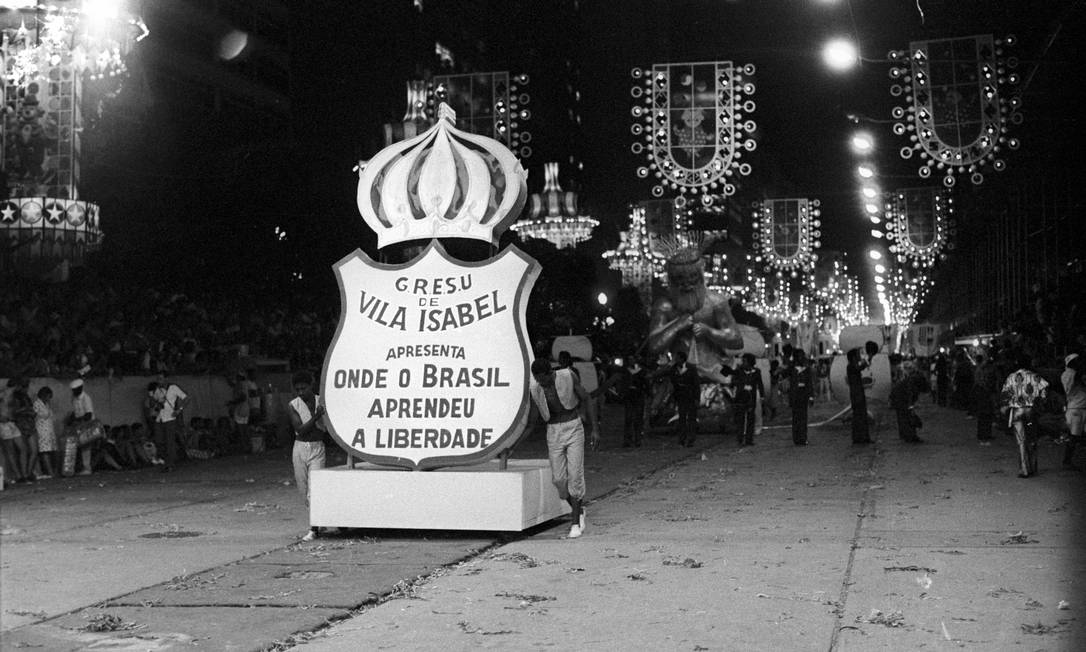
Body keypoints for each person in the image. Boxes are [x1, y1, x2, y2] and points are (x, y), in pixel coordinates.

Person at [647, 242, 745, 383]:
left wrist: (709, 331)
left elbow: (736, 339)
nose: (687, 283)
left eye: (692, 277)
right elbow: (654, 345)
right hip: (679, 373)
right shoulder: (664, 305)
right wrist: (677, 325)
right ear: (672, 280)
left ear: (700, 276)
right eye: (680, 278)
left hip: (713, 371)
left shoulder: (715, 301)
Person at [529, 358, 599, 539]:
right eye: (536, 379)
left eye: (541, 378)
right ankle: (579, 508)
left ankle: (575, 522)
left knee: (575, 475)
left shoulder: (568, 376)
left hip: (573, 426)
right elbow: (534, 418)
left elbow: (586, 397)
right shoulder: (535, 388)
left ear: (549, 373)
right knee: (559, 480)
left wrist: (594, 429)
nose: (539, 382)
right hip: (553, 432)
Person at [288, 370, 328, 542]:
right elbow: (300, 429)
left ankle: (314, 529)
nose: (301, 392)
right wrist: (317, 417)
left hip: (317, 447)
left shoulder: (322, 401)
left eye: (303, 388)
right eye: (297, 389)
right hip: (300, 448)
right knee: (303, 490)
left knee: (315, 489)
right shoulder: (293, 405)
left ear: (311, 386)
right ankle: (318, 521)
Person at [1000, 357, 1049, 478]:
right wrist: (1039, 399)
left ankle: (1024, 470)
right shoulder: (1034, 376)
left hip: (1017, 413)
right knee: (1032, 439)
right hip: (1030, 413)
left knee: (1021, 441)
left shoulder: (1011, 377)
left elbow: (1004, 394)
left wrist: (1007, 405)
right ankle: (1032, 467)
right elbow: (1045, 390)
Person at [153, 374, 189, 472]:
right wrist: (158, 403)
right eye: (158, 379)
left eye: (161, 378)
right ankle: (165, 460)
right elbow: (155, 404)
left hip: (170, 418)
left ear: (166, 379)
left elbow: (186, 398)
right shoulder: (158, 390)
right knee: (159, 440)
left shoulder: (173, 388)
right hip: (160, 418)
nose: (159, 380)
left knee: (169, 442)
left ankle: (169, 464)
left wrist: (179, 410)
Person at [732, 353, 764, 447]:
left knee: (751, 418)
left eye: (745, 361)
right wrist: (741, 386)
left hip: (751, 397)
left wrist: (762, 396)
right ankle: (740, 439)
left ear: (750, 362)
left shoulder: (757, 372)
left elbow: (760, 384)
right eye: (743, 361)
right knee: (741, 418)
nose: (743, 363)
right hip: (741, 397)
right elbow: (733, 381)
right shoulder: (739, 371)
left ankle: (749, 439)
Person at [670, 350, 700, 447]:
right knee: (681, 418)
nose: (676, 360)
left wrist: (697, 398)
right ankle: (682, 438)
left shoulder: (691, 369)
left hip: (690, 396)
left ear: (682, 359)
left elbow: (696, 384)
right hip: (681, 397)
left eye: (677, 358)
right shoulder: (674, 369)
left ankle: (691, 439)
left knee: (691, 418)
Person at [889, 368, 925, 443]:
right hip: (900, 398)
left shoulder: (910, 381)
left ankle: (906, 435)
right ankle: (910, 436)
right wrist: (911, 407)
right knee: (906, 417)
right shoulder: (912, 383)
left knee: (903, 417)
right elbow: (910, 395)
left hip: (898, 397)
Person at [1062, 354, 1085, 468]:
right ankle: (1067, 461)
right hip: (1077, 408)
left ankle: (1068, 460)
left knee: (1075, 436)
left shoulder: (1068, 374)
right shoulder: (1072, 374)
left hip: (1076, 407)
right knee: (1074, 436)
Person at [972, 354, 1000, 445]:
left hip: (983, 393)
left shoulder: (981, 369)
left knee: (985, 415)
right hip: (984, 393)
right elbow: (985, 383)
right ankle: (983, 436)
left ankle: (985, 434)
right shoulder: (984, 371)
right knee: (985, 414)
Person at [846, 348, 872, 444]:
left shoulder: (852, 366)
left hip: (858, 393)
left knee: (862, 415)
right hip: (856, 395)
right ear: (853, 357)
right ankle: (858, 437)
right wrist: (867, 360)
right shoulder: (850, 366)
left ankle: (863, 437)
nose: (859, 356)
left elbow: (861, 367)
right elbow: (859, 368)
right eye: (857, 354)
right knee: (858, 416)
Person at [789, 350, 813, 446]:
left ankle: (803, 438)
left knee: (803, 417)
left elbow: (810, 383)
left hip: (803, 394)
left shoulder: (807, 370)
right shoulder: (792, 369)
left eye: (802, 356)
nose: (801, 358)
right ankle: (796, 438)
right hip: (795, 395)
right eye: (799, 356)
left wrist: (811, 396)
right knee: (796, 418)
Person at [32, 386, 57, 478]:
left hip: (48, 431)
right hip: (41, 431)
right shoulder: (36, 404)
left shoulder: (46, 404)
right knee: (44, 451)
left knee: (49, 451)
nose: (49, 399)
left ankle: (50, 471)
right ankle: (50, 471)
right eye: (48, 396)